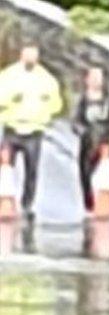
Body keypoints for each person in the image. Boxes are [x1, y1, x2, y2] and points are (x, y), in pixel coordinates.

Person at [0, 44, 64, 223]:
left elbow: (57, 103)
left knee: (31, 170)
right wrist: (11, 98)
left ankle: (27, 204)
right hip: (12, 127)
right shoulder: (8, 76)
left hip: (35, 130)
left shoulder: (46, 79)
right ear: (21, 56)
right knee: (5, 167)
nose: (31, 60)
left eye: (34, 57)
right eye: (28, 56)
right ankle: (4, 198)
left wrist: (48, 110)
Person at [72, 66, 109, 215]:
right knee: (85, 173)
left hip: (105, 142)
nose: (96, 81)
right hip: (87, 142)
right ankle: (89, 205)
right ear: (87, 80)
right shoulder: (82, 99)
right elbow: (75, 121)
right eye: (93, 77)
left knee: (108, 173)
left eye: (99, 77)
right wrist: (82, 131)